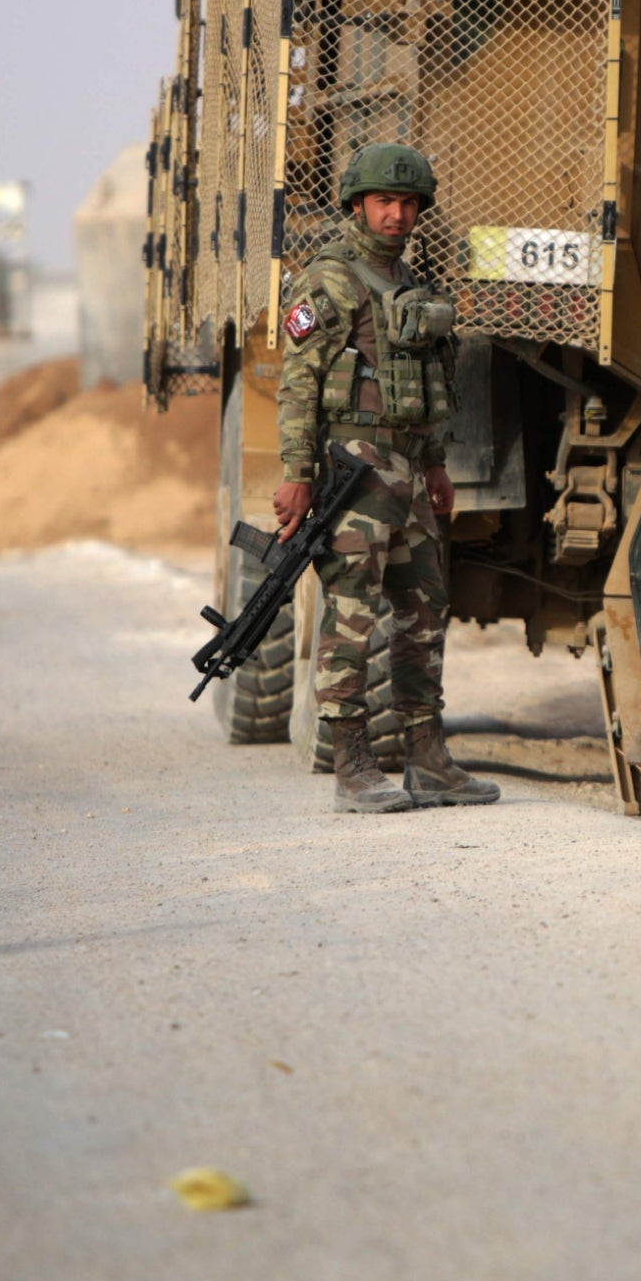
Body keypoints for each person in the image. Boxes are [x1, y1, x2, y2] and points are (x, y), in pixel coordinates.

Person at [272, 143, 496, 815]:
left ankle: (428, 757)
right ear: (356, 206)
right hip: (355, 470)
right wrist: (297, 474)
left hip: (407, 471)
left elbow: (426, 388)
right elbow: (298, 383)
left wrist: (434, 466)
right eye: (384, 202)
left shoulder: (408, 283)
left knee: (424, 611)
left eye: (407, 204)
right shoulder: (329, 281)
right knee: (351, 613)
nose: (397, 214)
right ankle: (352, 764)